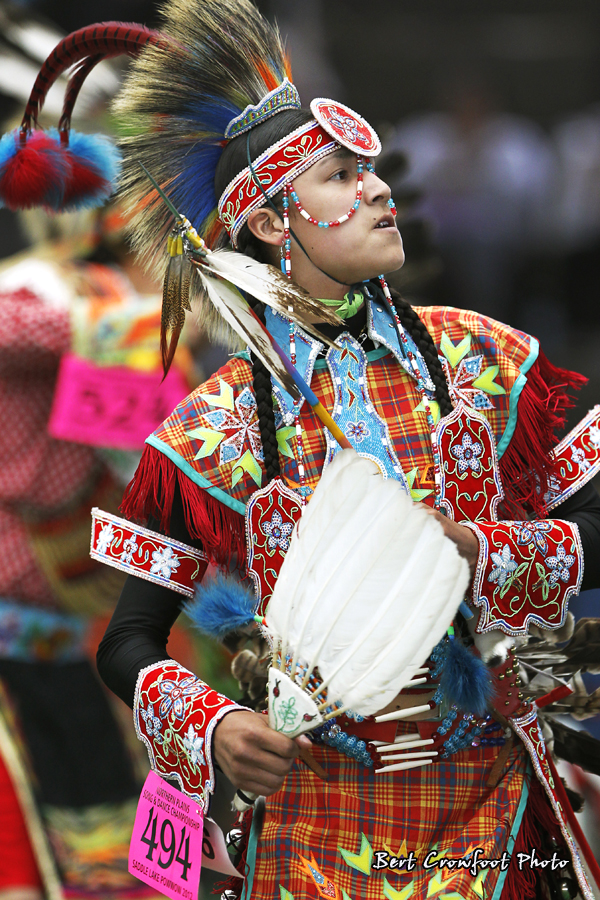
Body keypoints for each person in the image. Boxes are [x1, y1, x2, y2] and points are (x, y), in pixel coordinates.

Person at [4, 1, 600, 898]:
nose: (377, 188)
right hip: (313, 836)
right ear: (276, 225)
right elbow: (129, 639)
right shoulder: (212, 434)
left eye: (371, 169)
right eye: (339, 176)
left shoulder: (488, 359)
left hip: (498, 810)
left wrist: (491, 551)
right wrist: (213, 728)